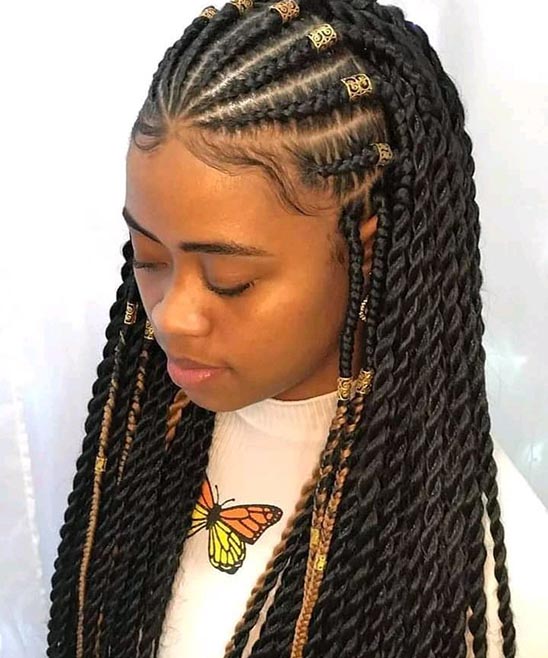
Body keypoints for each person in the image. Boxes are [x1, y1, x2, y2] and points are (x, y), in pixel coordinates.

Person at [45, 1, 547, 657]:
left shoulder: (484, 572)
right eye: (148, 259)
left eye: (229, 279)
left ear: (369, 249)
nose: (171, 316)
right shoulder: (145, 444)